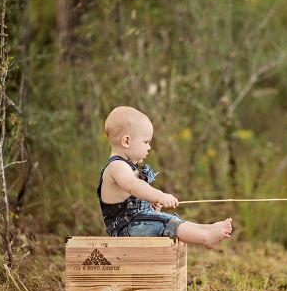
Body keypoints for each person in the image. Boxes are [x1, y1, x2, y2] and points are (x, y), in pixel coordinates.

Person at [97, 106, 233, 249]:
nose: (149, 147)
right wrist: (159, 195)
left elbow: (131, 196)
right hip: (125, 228)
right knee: (167, 223)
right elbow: (133, 185)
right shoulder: (117, 166)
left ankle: (207, 229)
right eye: (146, 142)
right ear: (126, 141)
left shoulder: (127, 166)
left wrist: (149, 202)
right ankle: (205, 237)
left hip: (135, 222)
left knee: (172, 219)